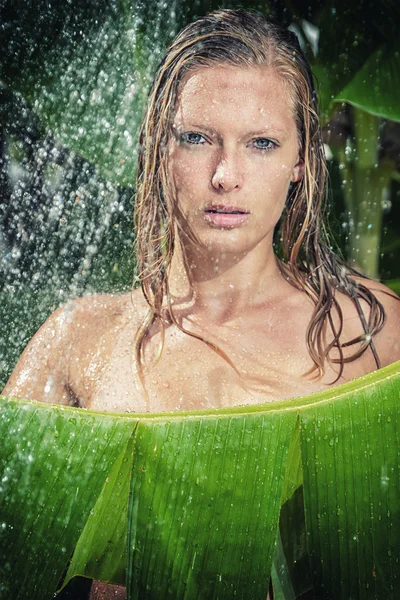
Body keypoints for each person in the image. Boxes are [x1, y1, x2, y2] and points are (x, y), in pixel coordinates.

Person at [3, 8, 400, 600]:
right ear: (157, 148)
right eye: (196, 138)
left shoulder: (373, 333)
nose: (225, 175)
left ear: (299, 159)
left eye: (261, 143)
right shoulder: (78, 340)